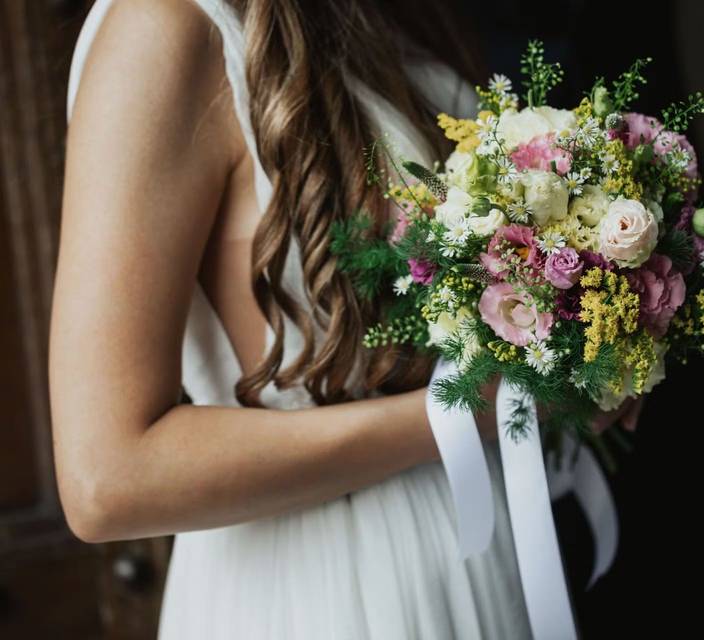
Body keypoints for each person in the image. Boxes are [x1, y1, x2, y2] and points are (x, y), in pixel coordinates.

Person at [50, 0, 642, 637]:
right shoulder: (162, 28)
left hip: (478, 556)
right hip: (324, 588)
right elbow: (107, 479)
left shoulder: (392, 17)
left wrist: (581, 332)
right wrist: (468, 410)